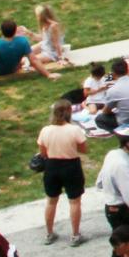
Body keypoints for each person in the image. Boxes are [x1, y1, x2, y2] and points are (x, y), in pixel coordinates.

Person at [36, 99, 89, 243]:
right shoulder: (74, 130)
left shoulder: (45, 130)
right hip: (71, 166)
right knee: (74, 201)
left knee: (51, 201)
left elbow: (43, 152)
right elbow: (84, 149)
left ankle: (49, 233)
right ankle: (75, 235)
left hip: (52, 166)